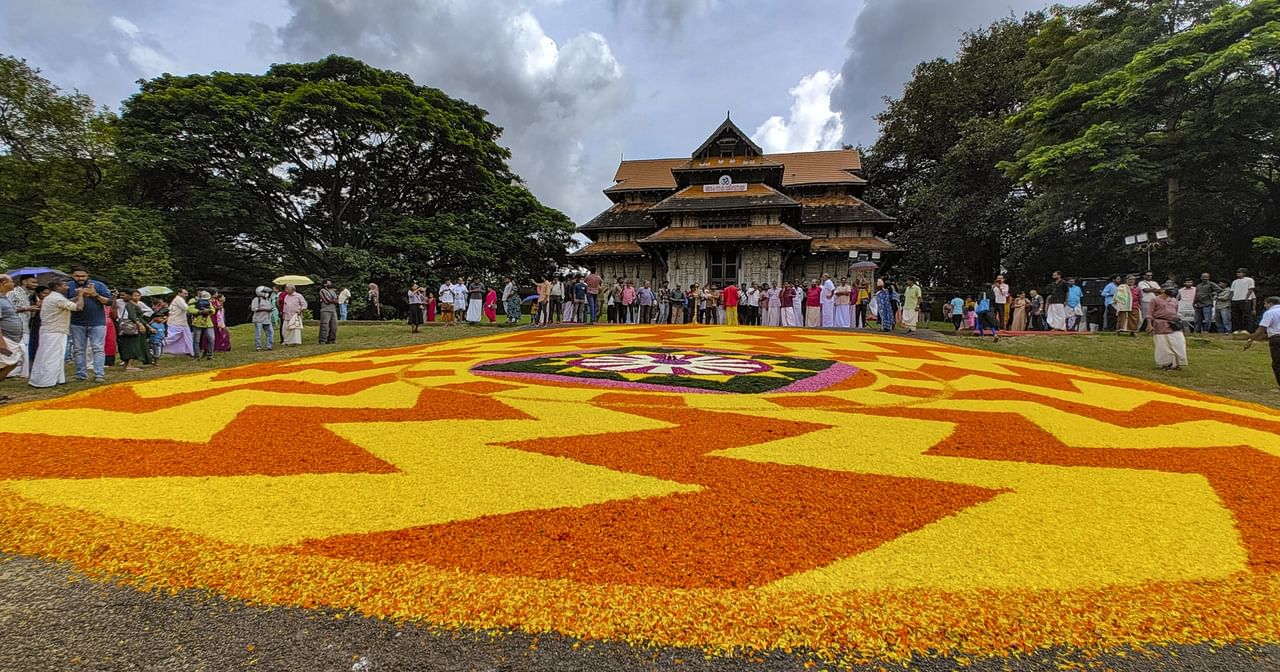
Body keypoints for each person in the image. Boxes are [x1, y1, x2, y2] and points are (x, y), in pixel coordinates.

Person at [29, 277, 84, 388]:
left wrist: (77, 296)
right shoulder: (57, 298)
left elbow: (67, 303)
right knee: (52, 355)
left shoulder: (53, 297)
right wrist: (81, 295)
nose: (67, 287)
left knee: (50, 355)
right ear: (58, 287)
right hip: (55, 331)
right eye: (64, 285)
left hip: (50, 330)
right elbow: (79, 307)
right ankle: (47, 381)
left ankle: (55, 378)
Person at [66, 267, 111, 382]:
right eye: (77, 276)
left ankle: (99, 374)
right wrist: (79, 295)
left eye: (83, 276)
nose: (81, 278)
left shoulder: (98, 285)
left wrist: (95, 295)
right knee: (79, 349)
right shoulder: (68, 286)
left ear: (87, 275)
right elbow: (62, 302)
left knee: (98, 348)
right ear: (72, 275)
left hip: (97, 322)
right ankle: (81, 374)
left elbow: (110, 302)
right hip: (77, 322)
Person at [1243, 296, 1280, 391]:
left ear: (1270, 303)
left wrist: (1251, 339)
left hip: (1276, 339)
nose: (1265, 306)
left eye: (1265, 304)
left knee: (1277, 363)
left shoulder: (1270, 313)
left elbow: (1262, 329)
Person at [5, 274, 37, 378]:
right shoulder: (13, 293)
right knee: (17, 350)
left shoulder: (28, 295)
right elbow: (8, 309)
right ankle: (11, 372)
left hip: (24, 326)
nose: (35, 285)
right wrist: (27, 308)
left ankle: (20, 372)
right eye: (33, 282)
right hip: (14, 327)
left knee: (23, 350)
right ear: (24, 282)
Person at [1150, 284, 1188, 370]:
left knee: (1179, 343)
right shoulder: (1155, 300)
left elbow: (1175, 311)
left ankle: (1178, 362)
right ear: (1162, 290)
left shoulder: (1174, 300)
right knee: (1163, 344)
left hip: (1173, 324)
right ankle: (1167, 363)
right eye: (1169, 289)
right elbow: (1149, 314)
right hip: (1160, 324)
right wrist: (1149, 325)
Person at [116, 290, 150, 372]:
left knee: (130, 345)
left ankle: (126, 365)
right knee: (133, 346)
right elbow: (132, 316)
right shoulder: (130, 305)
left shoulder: (136, 304)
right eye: (135, 295)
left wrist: (147, 326)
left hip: (132, 327)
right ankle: (129, 365)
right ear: (131, 296)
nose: (137, 297)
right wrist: (139, 324)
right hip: (133, 328)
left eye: (138, 295)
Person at [0, 275, 26, 382]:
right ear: (3, 283)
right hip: (5, 338)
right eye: (11, 281)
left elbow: (12, 311)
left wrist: (27, 308)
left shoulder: (5, 298)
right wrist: (1, 342)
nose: (14, 283)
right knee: (6, 363)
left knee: (13, 362)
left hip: (13, 339)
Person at [164, 289, 195, 357]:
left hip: (181, 321)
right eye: (185, 293)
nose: (186, 295)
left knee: (187, 337)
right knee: (173, 337)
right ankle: (159, 344)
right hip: (176, 322)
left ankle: (189, 351)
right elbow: (186, 308)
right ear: (179, 293)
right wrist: (193, 304)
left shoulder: (180, 299)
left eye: (187, 293)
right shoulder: (178, 299)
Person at [188, 290, 216, 360]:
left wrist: (209, 311)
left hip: (208, 323)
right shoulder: (193, 300)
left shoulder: (208, 301)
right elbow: (190, 310)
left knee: (211, 339)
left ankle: (210, 355)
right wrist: (200, 311)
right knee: (196, 340)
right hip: (197, 322)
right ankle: (196, 356)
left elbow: (213, 310)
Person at [1231, 268, 1256, 333]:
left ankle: (1249, 330)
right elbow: (1232, 291)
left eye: (1240, 272)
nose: (1238, 273)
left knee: (1246, 316)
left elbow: (1250, 289)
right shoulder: (1235, 281)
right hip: (1235, 299)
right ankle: (1237, 330)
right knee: (1236, 316)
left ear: (1244, 273)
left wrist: (1246, 298)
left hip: (1244, 299)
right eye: (1237, 272)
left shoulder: (1249, 280)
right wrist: (1232, 299)